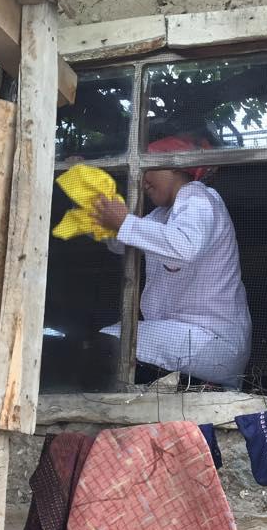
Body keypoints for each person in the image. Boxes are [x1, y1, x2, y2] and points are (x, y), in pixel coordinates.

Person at [92, 135, 252, 389]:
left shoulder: (198, 196)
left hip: (211, 341)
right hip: (190, 339)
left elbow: (183, 245)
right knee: (114, 340)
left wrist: (124, 223)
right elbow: (123, 242)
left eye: (149, 168)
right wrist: (99, 211)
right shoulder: (162, 215)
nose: (142, 179)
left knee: (109, 343)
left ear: (176, 165)